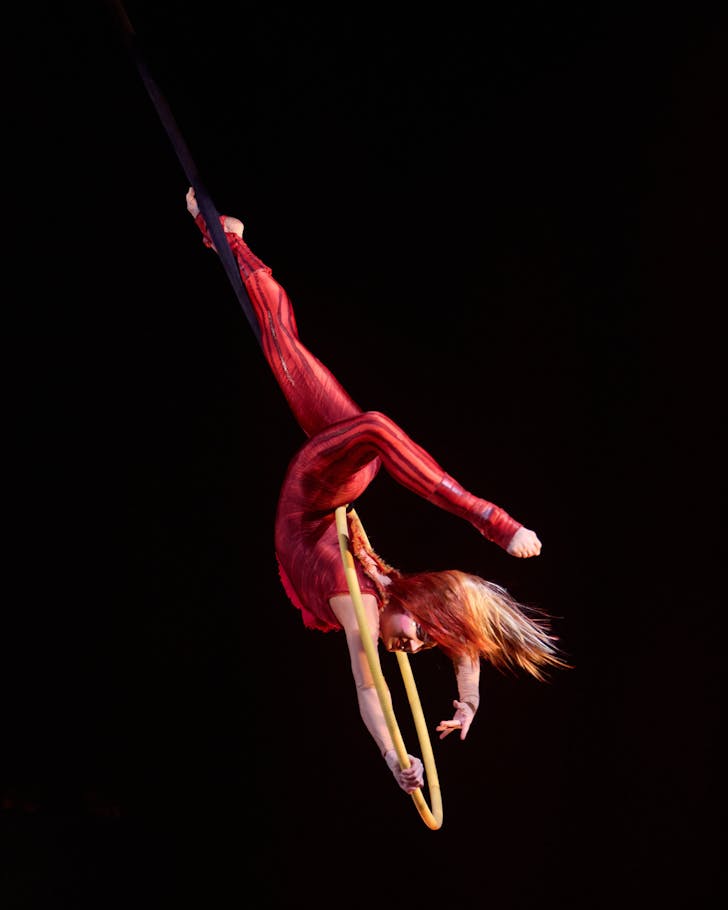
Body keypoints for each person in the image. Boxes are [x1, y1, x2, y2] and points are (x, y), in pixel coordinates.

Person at [186, 188, 566, 794]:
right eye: (417, 640)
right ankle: (223, 236)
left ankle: (487, 518)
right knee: (285, 347)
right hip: (335, 491)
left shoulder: (361, 605)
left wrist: (396, 759)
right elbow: (464, 644)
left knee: (374, 430)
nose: (409, 649)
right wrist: (468, 707)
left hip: (308, 505)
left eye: (411, 647)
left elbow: (369, 687)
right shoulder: (400, 600)